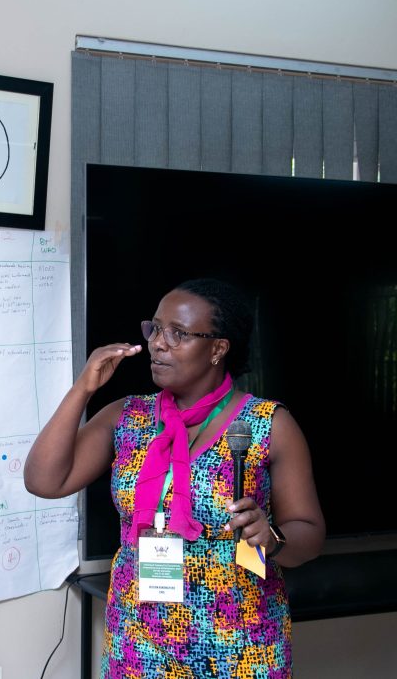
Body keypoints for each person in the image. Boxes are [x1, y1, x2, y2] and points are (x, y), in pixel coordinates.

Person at [24, 277, 324, 678]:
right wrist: (83, 388)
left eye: (178, 333)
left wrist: (272, 537)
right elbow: (44, 480)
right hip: (139, 640)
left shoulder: (269, 424)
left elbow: (309, 533)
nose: (158, 343)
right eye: (155, 329)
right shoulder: (126, 417)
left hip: (238, 644)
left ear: (218, 349)